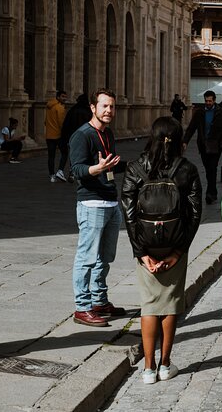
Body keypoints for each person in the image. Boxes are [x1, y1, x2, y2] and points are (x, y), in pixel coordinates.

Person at [121, 116, 202, 385]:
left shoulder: (135, 168)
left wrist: (140, 252)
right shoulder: (187, 169)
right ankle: (165, 365)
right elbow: (194, 214)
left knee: (149, 305)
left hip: (146, 246)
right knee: (169, 305)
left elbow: (129, 213)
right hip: (173, 245)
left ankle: (147, 368)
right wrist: (178, 252)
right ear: (179, 140)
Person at [69, 88, 126, 327]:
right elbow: (77, 170)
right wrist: (98, 169)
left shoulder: (108, 133)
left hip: (111, 201)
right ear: (93, 108)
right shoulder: (82, 135)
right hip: (92, 202)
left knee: (105, 257)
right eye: (104, 106)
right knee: (87, 257)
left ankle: (99, 300)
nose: (109, 111)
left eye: (112, 106)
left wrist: (136, 166)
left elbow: (111, 166)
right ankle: (82, 307)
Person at [184, 90, 222, 204]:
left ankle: (210, 194)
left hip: (216, 146)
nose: (208, 103)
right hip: (203, 145)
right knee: (208, 169)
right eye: (206, 101)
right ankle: (212, 192)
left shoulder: (221, 112)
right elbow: (191, 128)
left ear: (214, 100)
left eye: (210, 101)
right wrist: (185, 141)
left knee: (212, 168)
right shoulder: (199, 113)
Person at [45, 90, 68, 182]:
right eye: (63, 96)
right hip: (58, 135)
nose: (64, 99)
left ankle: (52, 175)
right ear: (58, 97)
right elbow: (61, 123)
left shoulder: (49, 107)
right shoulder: (60, 108)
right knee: (65, 153)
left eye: (65, 97)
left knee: (51, 156)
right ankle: (60, 171)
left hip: (49, 135)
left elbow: (45, 121)